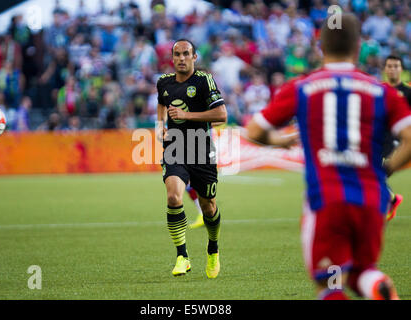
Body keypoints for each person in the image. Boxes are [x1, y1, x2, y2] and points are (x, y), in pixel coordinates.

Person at [245, 14, 411, 300]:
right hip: (371, 199)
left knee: (331, 284)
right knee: (362, 270)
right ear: (358, 47)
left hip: (328, 199)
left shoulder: (302, 87)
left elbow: (254, 130)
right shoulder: (381, 91)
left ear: (320, 47)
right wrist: (385, 170)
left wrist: (280, 141)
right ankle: (378, 286)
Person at [156, 39, 227, 278]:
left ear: (194, 57)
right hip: (174, 147)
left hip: (201, 148)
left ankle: (213, 248)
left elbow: (221, 115)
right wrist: (159, 126)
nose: (181, 58)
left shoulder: (204, 80)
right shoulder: (163, 82)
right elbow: (161, 103)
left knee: (209, 206)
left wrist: (186, 114)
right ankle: (182, 256)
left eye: (186, 54)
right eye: (177, 54)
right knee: (174, 196)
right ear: (172, 57)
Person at [382, 55, 411, 221]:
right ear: (385, 69)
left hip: (398, 141)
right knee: (372, 175)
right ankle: (391, 199)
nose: (392, 69)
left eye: (396, 66)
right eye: (389, 66)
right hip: (379, 138)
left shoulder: (408, 92)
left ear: (401, 69)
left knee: (376, 174)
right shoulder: (381, 90)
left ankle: (390, 199)